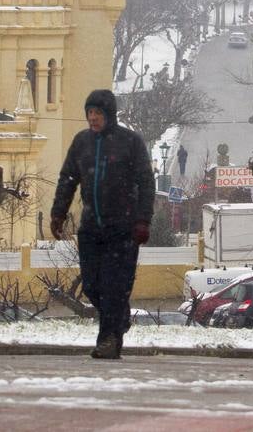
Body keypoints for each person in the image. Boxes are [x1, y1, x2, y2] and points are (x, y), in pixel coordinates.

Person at [51, 89, 155, 359]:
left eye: (97, 113)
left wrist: (142, 220)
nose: (92, 118)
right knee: (92, 286)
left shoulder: (129, 142)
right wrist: (57, 214)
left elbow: (146, 182)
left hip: (123, 229)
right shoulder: (82, 142)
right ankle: (119, 317)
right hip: (91, 227)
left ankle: (109, 341)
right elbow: (67, 179)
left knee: (113, 287)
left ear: (109, 114)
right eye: (89, 113)